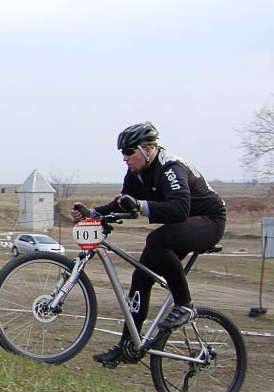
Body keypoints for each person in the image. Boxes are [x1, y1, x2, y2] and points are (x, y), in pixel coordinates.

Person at [72, 122, 226, 368]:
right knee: (140, 277)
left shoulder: (171, 168)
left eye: (129, 152)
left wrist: (141, 206)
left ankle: (184, 305)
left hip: (209, 221)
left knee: (157, 240)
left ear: (148, 149)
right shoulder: (136, 173)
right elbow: (123, 203)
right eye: (122, 153)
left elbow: (179, 209)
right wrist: (94, 213)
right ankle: (128, 345)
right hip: (183, 226)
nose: (124, 158)